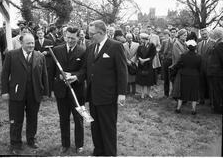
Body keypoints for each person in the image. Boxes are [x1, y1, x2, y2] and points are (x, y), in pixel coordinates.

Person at [67, 20, 127, 156]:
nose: (89, 36)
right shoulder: (91, 47)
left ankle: (110, 153)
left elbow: (122, 71)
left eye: (92, 34)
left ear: (101, 33)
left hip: (108, 96)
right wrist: (75, 77)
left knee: (108, 127)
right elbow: (85, 69)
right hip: (93, 95)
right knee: (95, 126)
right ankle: (98, 151)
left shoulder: (116, 46)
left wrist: (122, 93)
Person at [1, 33, 49, 154]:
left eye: (33, 43)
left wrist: (45, 92)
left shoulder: (39, 56)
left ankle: (31, 140)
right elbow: (5, 74)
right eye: (28, 43)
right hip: (17, 93)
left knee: (33, 118)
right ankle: (15, 144)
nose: (31, 45)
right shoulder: (12, 55)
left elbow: (44, 75)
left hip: (34, 93)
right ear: (21, 43)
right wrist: (5, 91)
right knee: (16, 119)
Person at [51, 27, 86, 154]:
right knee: (63, 118)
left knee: (79, 118)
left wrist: (74, 76)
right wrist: (53, 86)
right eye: (68, 37)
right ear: (65, 36)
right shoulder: (57, 50)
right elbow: (52, 70)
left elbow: (84, 70)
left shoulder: (83, 51)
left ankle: (79, 145)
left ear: (78, 37)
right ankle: (65, 144)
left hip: (77, 92)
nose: (70, 40)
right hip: (61, 91)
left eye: (73, 38)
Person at [173, 40, 201, 115]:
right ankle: (193, 110)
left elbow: (178, 65)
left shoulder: (183, 55)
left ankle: (178, 108)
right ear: (195, 47)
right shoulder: (199, 57)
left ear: (188, 47)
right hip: (195, 76)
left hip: (184, 75)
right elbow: (199, 67)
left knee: (182, 92)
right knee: (194, 93)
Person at [206, 27, 223, 114]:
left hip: (217, 73)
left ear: (216, 34)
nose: (212, 34)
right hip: (215, 72)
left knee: (218, 92)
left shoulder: (220, 44)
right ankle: (217, 107)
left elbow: (222, 59)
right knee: (216, 91)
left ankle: (219, 109)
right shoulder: (218, 43)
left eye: (213, 33)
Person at [196, 28, 216, 105]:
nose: (204, 35)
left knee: (210, 85)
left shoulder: (213, 43)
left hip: (210, 68)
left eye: (205, 34)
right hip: (201, 68)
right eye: (202, 34)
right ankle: (201, 100)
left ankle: (212, 101)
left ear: (208, 33)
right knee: (201, 84)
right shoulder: (199, 44)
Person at [34, 28, 55, 97]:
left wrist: (47, 52)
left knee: (48, 78)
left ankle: (48, 93)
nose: (40, 34)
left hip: (48, 62)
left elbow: (53, 51)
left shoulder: (49, 41)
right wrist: (37, 53)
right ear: (37, 35)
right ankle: (40, 93)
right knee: (39, 78)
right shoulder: (35, 42)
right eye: (38, 33)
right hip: (38, 62)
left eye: (41, 33)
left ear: (44, 34)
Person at [135, 33, 156, 99]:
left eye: (141, 38)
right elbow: (137, 55)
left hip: (148, 64)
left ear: (144, 39)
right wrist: (140, 59)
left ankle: (149, 93)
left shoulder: (152, 45)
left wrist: (145, 60)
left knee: (149, 80)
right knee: (142, 80)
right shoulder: (140, 46)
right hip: (141, 65)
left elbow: (153, 55)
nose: (140, 40)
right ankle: (142, 94)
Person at [170, 29, 188, 100]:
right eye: (184, 35)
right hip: (178, 66)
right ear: (180, 36)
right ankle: (177, 98)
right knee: (177, 83)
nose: (186, 36)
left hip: (184, 66)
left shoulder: (185, 43)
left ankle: (183, 97)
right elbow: (178, 57)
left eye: (186, 35)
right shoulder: (176, 44)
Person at [160, 29, 173, 98]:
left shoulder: (174, 41)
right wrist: (163, 57)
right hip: (166, 61)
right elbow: (161, 51)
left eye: (167, 34)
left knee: (172, 77)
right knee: (166, 78)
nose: (166, 36)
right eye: (164, 34)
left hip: (172, 61)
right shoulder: (163, 41)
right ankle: (166, 93)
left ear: (169, 34)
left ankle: (173, 93)